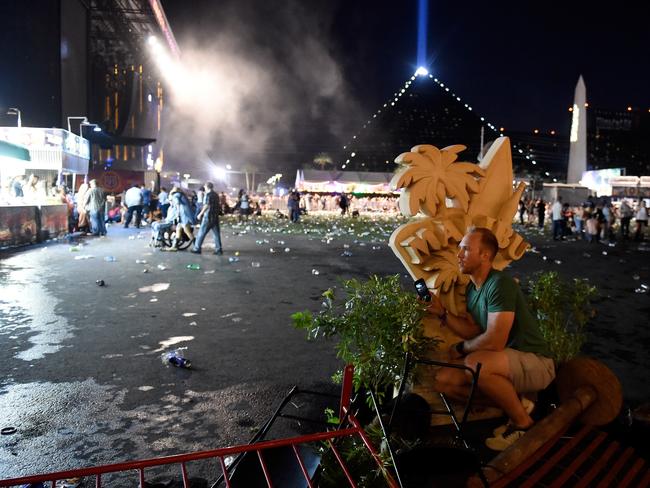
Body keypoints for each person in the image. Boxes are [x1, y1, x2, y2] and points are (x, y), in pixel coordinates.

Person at [424, 227, 555, 451]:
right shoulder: (473, 290)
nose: (458, 255)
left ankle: (524, 425)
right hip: (505, 363)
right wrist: (443, 313)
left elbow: (494, 341)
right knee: (444, 380)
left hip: (537, 362)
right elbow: (474, 330)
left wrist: (462, 348)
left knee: (475, 363)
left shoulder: (499, 284)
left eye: (465, 249)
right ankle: (518, 406)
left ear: (485, 255)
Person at [191, 181, 223, 255]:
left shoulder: (208, 195)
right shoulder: (216, 195)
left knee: (201, 232)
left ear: (207, 187)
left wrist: (200, 214)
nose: (204, 188)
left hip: (208, 216)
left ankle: (197, 248)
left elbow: (206, 205)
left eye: (205, 187)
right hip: (215, 216)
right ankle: (218, 249)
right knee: (216, 234)